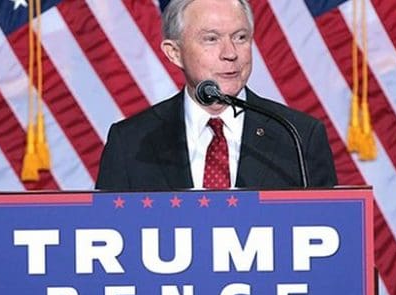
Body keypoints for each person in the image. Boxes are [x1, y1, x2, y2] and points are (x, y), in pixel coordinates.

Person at [95, 0, 337, 191]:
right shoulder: (130, 142)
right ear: (174, 53)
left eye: (240, 37)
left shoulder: (297, 136)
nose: (230, 53)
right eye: (211, 39)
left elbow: (326, 228)